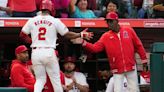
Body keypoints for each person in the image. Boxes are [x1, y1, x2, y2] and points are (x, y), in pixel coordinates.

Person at [19, 0, 93, 92]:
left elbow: (22, 35)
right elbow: (66, 34)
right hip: (49, 51)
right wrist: (80, 35)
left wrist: (32, 42)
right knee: (56, 80)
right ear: (51, 9)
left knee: (40, 80)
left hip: (36, 52)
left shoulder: (32, 20)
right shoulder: (54, 21)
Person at [71, 12, 148, 92]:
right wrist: (83, 42)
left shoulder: (128, 30)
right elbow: (95, 48)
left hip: (130, 66)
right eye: (107, 21)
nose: (109, 23)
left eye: (111, 21)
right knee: (117, 90)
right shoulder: (106, 36)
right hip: (117, 69)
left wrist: (144, 61)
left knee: (134, 89)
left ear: (117, 21)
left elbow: (138, 45)